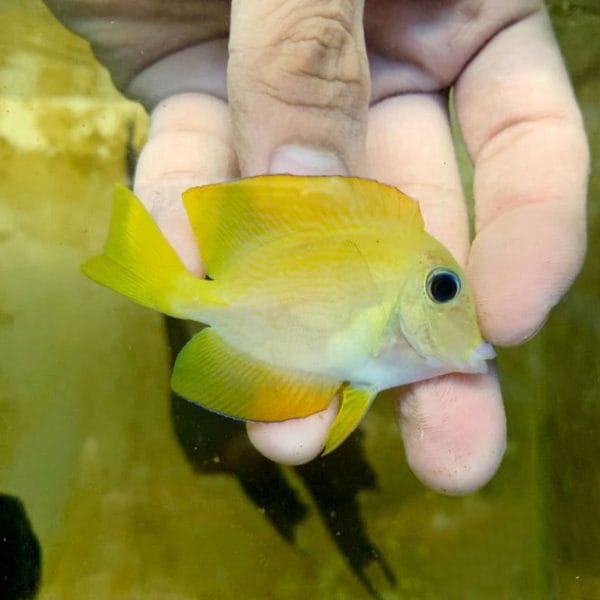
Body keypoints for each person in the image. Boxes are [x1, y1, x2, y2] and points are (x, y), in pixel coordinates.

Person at [43, 0, 588, 494]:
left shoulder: (404, 287)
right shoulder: (399, 264)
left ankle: (158, 276)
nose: (461, 307)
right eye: (442, 289)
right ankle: (160, 276)